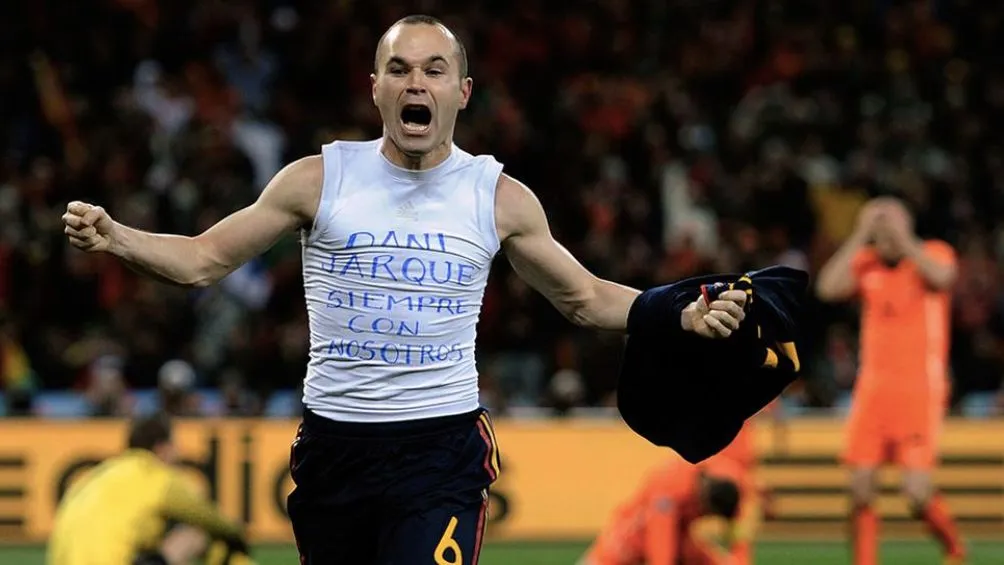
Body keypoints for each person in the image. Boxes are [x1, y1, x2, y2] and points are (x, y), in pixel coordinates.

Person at [62, 14, 749, 565]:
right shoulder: (317, 180)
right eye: (399, 69)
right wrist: (117, 237)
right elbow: (202, 260)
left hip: (439, 452)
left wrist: (677, 314)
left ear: (462, 92)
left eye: (433, 69)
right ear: (376, 89)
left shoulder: (498, 197)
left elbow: (584, 297)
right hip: (334, 452)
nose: (415, 81)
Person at [816, 197, 965, 565]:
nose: (886, 237)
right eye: (879, 230)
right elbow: (827, 289)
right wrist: (859, 234)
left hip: (919, 393)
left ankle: (954, 549)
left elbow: (944, 277)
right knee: (860, 489)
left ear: (906, 226)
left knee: (916, 493)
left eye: (891, 227)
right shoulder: (867, 263)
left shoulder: (932, 254)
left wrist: (904, 239)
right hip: (872, 393)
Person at [46, 412, 252, 565]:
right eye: (174, 446)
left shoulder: (93, 477)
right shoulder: (156, 476)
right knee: (194, 535)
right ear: (161, 448)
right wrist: (236, 533)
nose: (178, 453)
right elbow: (207, 516)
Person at [578, 457, 747, 565]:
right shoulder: (670, 491)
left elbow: (737, 530)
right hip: (630, 540)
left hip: (679, 537)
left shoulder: (726, 479)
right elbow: (661, 545)